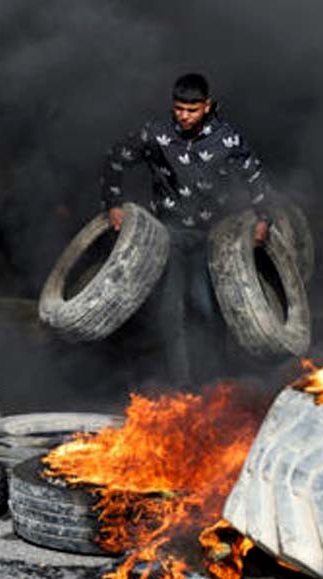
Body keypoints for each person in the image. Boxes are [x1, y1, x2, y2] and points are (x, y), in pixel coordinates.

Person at [99, 72, 272, 388]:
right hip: (171, 234)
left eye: (191, 110)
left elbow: (255, 178)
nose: (184, 115)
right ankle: (181, 386)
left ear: (207, 105)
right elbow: (116, 158)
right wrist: (114, 203)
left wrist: (264, 219)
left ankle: (219, 382)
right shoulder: (157, 133)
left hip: (212, 236)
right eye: (179, 108)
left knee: (205, 306)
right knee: (171, 311)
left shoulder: (227, 139)